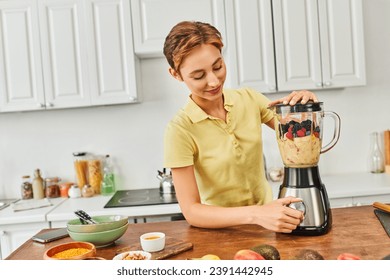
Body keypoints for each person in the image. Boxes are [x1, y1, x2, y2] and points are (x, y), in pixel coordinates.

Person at [162, 21, 318, 233]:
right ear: (176, 74)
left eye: (218, 67)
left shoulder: (249, 99)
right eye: (198, 76)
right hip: (220, 234)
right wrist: (256, 214)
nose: (214, 81)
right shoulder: (180, 130)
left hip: (268, 225)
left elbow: (299, 136)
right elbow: (192, 211)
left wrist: (306, 109)